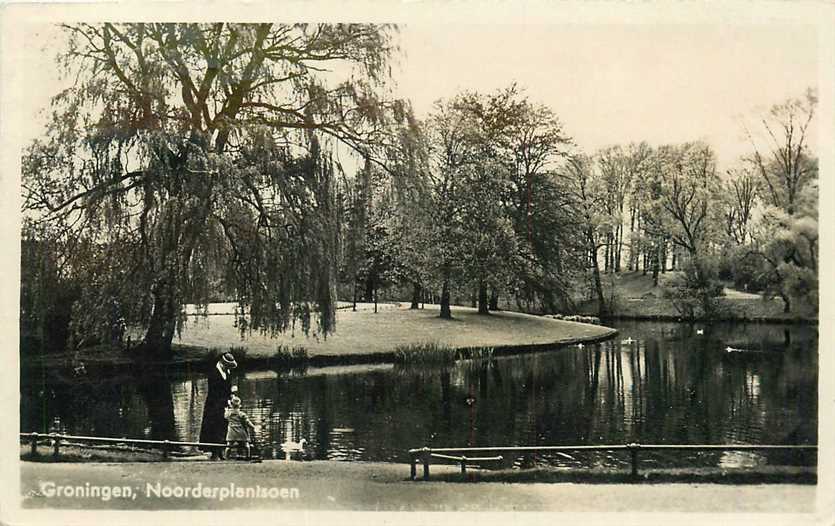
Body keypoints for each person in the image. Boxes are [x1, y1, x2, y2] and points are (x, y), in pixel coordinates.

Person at [199, 352, 237, 459]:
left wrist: (231, 395)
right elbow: (215, 392)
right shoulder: (213, 373)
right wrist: (226, 400)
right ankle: (214, 452)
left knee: (223, 426)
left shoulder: (227, 372)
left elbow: (227, 387)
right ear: (222, 363)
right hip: (214, 403)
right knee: (214, 426)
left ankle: (221, 451)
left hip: (224, 403)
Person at [224, 395, 256, 460]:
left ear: (231, 405)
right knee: (246, 445)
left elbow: (225, 417)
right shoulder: (242, 414)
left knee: (229, 446)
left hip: (232, 432)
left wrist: (226, 410)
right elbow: (247, 422)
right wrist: (253, 427)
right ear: (239, 405)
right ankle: (248, 456)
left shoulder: (228, 414)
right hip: (241, 432)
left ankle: (226, 457)